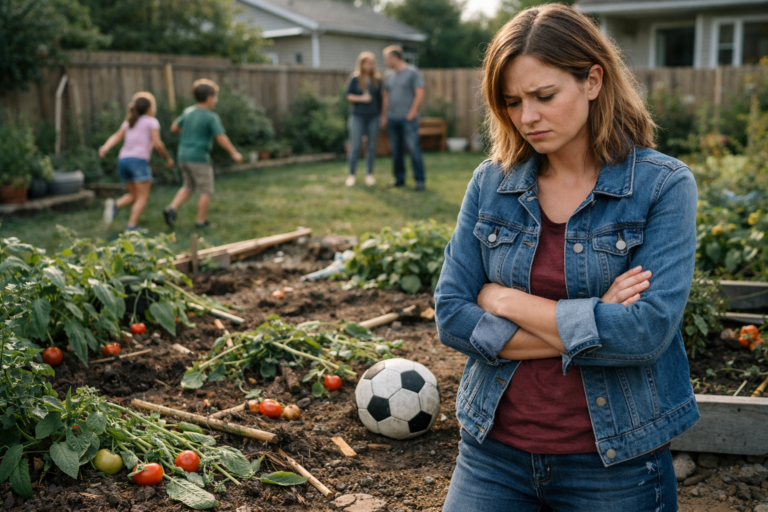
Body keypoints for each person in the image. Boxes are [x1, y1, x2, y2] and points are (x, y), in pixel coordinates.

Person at [435, 4, 699, 511]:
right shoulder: (491, 182)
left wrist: (505, 300)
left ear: (593, 80)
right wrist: (595, 313)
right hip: (493, 451)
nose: (526, 117)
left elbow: (645, 332)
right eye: (512, 102)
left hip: (616, 461)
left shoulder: (661, 186)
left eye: (544, 95)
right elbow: (451, 315)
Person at [163, 79, 242, 229]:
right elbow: (220, 137)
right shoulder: (210, 117)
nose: (216, 100)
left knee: (188, 186)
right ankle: (200, 222)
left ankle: (172, 208)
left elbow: (174, 127)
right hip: (198, 158)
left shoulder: (188, 111)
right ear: (209, 97)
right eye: (215, 97)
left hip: (183, 156)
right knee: (205, 190)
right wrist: (234, 153)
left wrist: (190, 132)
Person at [99, 92, 173, 231]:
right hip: (138, 161)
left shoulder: (129, 122)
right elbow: (157, 144)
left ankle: (116, 205)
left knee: (134, 195)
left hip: (123, 160)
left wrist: (105, 147)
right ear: (150, 108)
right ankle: (132, 226)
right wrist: (167, 159)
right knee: (143, 196)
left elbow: (116, 136)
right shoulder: (151, 121)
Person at [381, 45, 426, 190]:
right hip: (392, 119)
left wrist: (411, 114)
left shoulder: (412, 72)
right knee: (396, 151)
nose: (385, 62)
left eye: (387, 58)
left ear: (395, 58)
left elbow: (419, 93)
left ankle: (420, 180)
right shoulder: (388, 75)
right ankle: (399, 179)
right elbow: (386, 97)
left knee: (413, 149)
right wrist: (384, 115)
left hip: (408, 120)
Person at [344, 51, 382, 187]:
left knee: (371, 147)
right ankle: (352, 174)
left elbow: (381, 101)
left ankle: (369, 174)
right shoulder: (354, 78)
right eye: (366, 63)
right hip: (357, 116)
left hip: (373, 117)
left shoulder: (377, 80)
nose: (369, 66)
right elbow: (347, 96)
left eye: (371, 63)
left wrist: (381, 116)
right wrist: (362, 98)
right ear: (361, 64)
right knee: (355, 146)